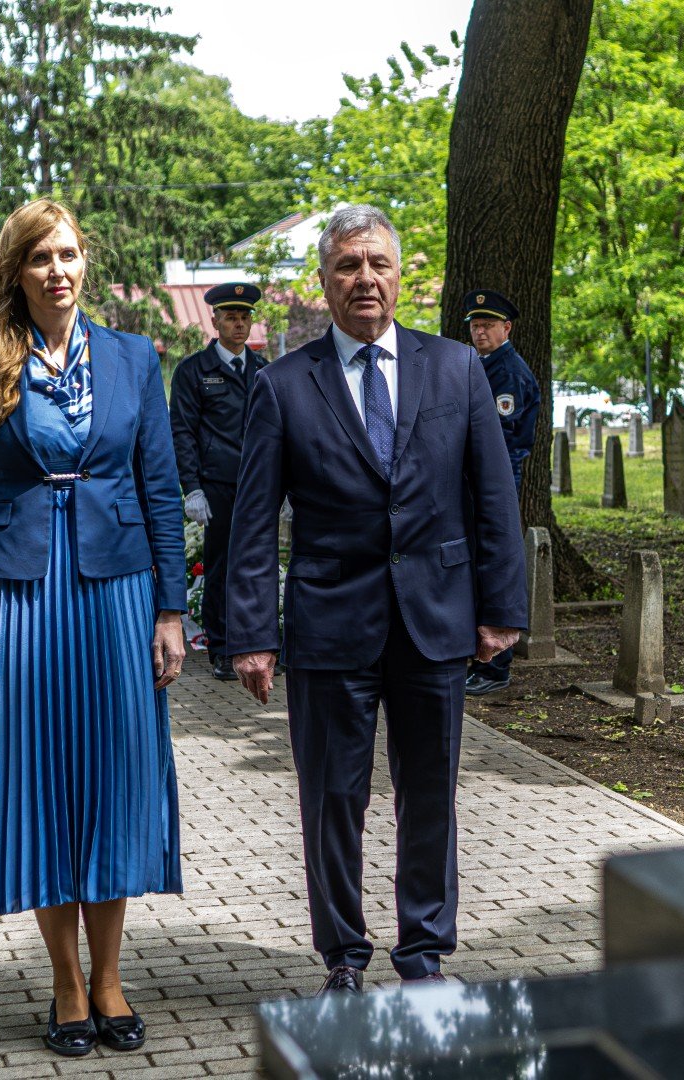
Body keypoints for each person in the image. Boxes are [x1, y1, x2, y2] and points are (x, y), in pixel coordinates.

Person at [225, 205, 528, 995]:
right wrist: (251, 633)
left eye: (378, 264)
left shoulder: (458, 368)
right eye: (348, 266)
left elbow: (494, 499)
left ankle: (424, 950)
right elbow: (253, 522)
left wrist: (503, 609)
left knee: (429, 791)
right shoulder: (285, 385)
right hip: (330, 623)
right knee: (332, 798)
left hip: (436, 619)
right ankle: (344, 954)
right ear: (324, 282)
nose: (364, 279)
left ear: (400, 276)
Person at [0, 197, 186, 1058]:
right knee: (42, 785)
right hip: (19, 602)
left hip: (117, 594)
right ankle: (66, 984)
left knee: (117, 782)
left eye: (70, 253)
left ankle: (112, 975)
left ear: (87, 264)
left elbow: (160, 488)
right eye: (41, 256)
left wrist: (172, 611)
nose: (58, 270)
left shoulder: (132, 356)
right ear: (17, 270)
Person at [169, 281, 268, 680]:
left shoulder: (263, 370)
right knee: (223, 568)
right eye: (231, 317)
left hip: (259, 485)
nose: (239, 324)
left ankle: (259, 644)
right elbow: (182, 432)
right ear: (215, 321)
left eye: (245, 317)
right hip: (218, 485)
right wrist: (191, 487)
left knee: (260, 566)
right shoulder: (195, 371)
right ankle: (223, 648)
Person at [460, 288, 540, 696]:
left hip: (497, 482)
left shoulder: (507, 372)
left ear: (506, 328)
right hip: (475, 480)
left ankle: (496, 667)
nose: (480, 332)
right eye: (475, 326)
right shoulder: (481, 366)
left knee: (496, 564)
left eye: (488, 325)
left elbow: (504, 439)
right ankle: (481, 659)